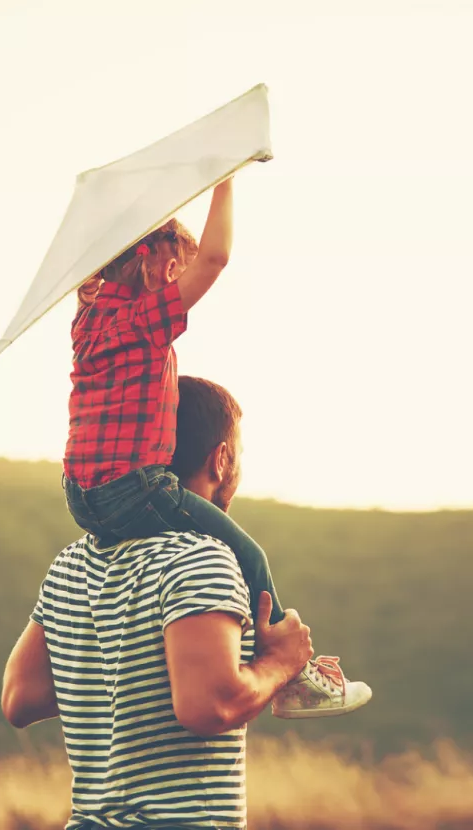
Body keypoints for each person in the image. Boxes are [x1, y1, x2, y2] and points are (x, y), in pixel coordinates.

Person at [1, 376, 372, 829]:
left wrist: (129, 672)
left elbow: (21, 698)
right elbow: (207, 707)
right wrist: (280, 665)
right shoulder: (200, 555)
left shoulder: (71, 564)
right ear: (221, 460)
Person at [62, 178, 367, 717]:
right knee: (249, 555)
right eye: (175, 269)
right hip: (134, 489)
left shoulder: (88, 320)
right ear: (152, 263)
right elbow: (217, 258)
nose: (183, 278)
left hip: (80, 497)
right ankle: (292, 676)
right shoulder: (142, 321)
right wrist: (223, 178)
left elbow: (191, 257)